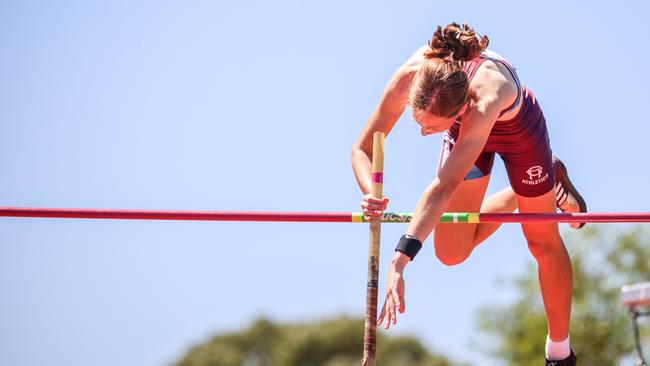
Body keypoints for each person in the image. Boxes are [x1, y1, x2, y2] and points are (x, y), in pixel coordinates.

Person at [351, 22, 586, 365]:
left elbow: (443, 187)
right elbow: (361, 149)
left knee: (541, 242)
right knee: (450, 251)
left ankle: (559, 352)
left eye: (431, 126)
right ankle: (535, 189)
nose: (422, 130)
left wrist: (399, 260)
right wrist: (370, 190)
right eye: (418, 120)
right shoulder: (413, 74)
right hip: (465, 136)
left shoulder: (484, 98)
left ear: (459, 109)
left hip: (518, 132)